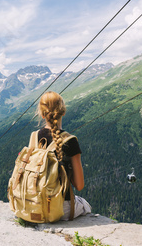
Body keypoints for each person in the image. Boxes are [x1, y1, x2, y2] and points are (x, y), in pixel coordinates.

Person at [36, 91, 91, 221]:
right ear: (63, 112)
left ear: (42, 114)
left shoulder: (34, 137)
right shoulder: (70, 141)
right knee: (85, 204)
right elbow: (79, 185)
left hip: (36, 204)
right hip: (59, 208)